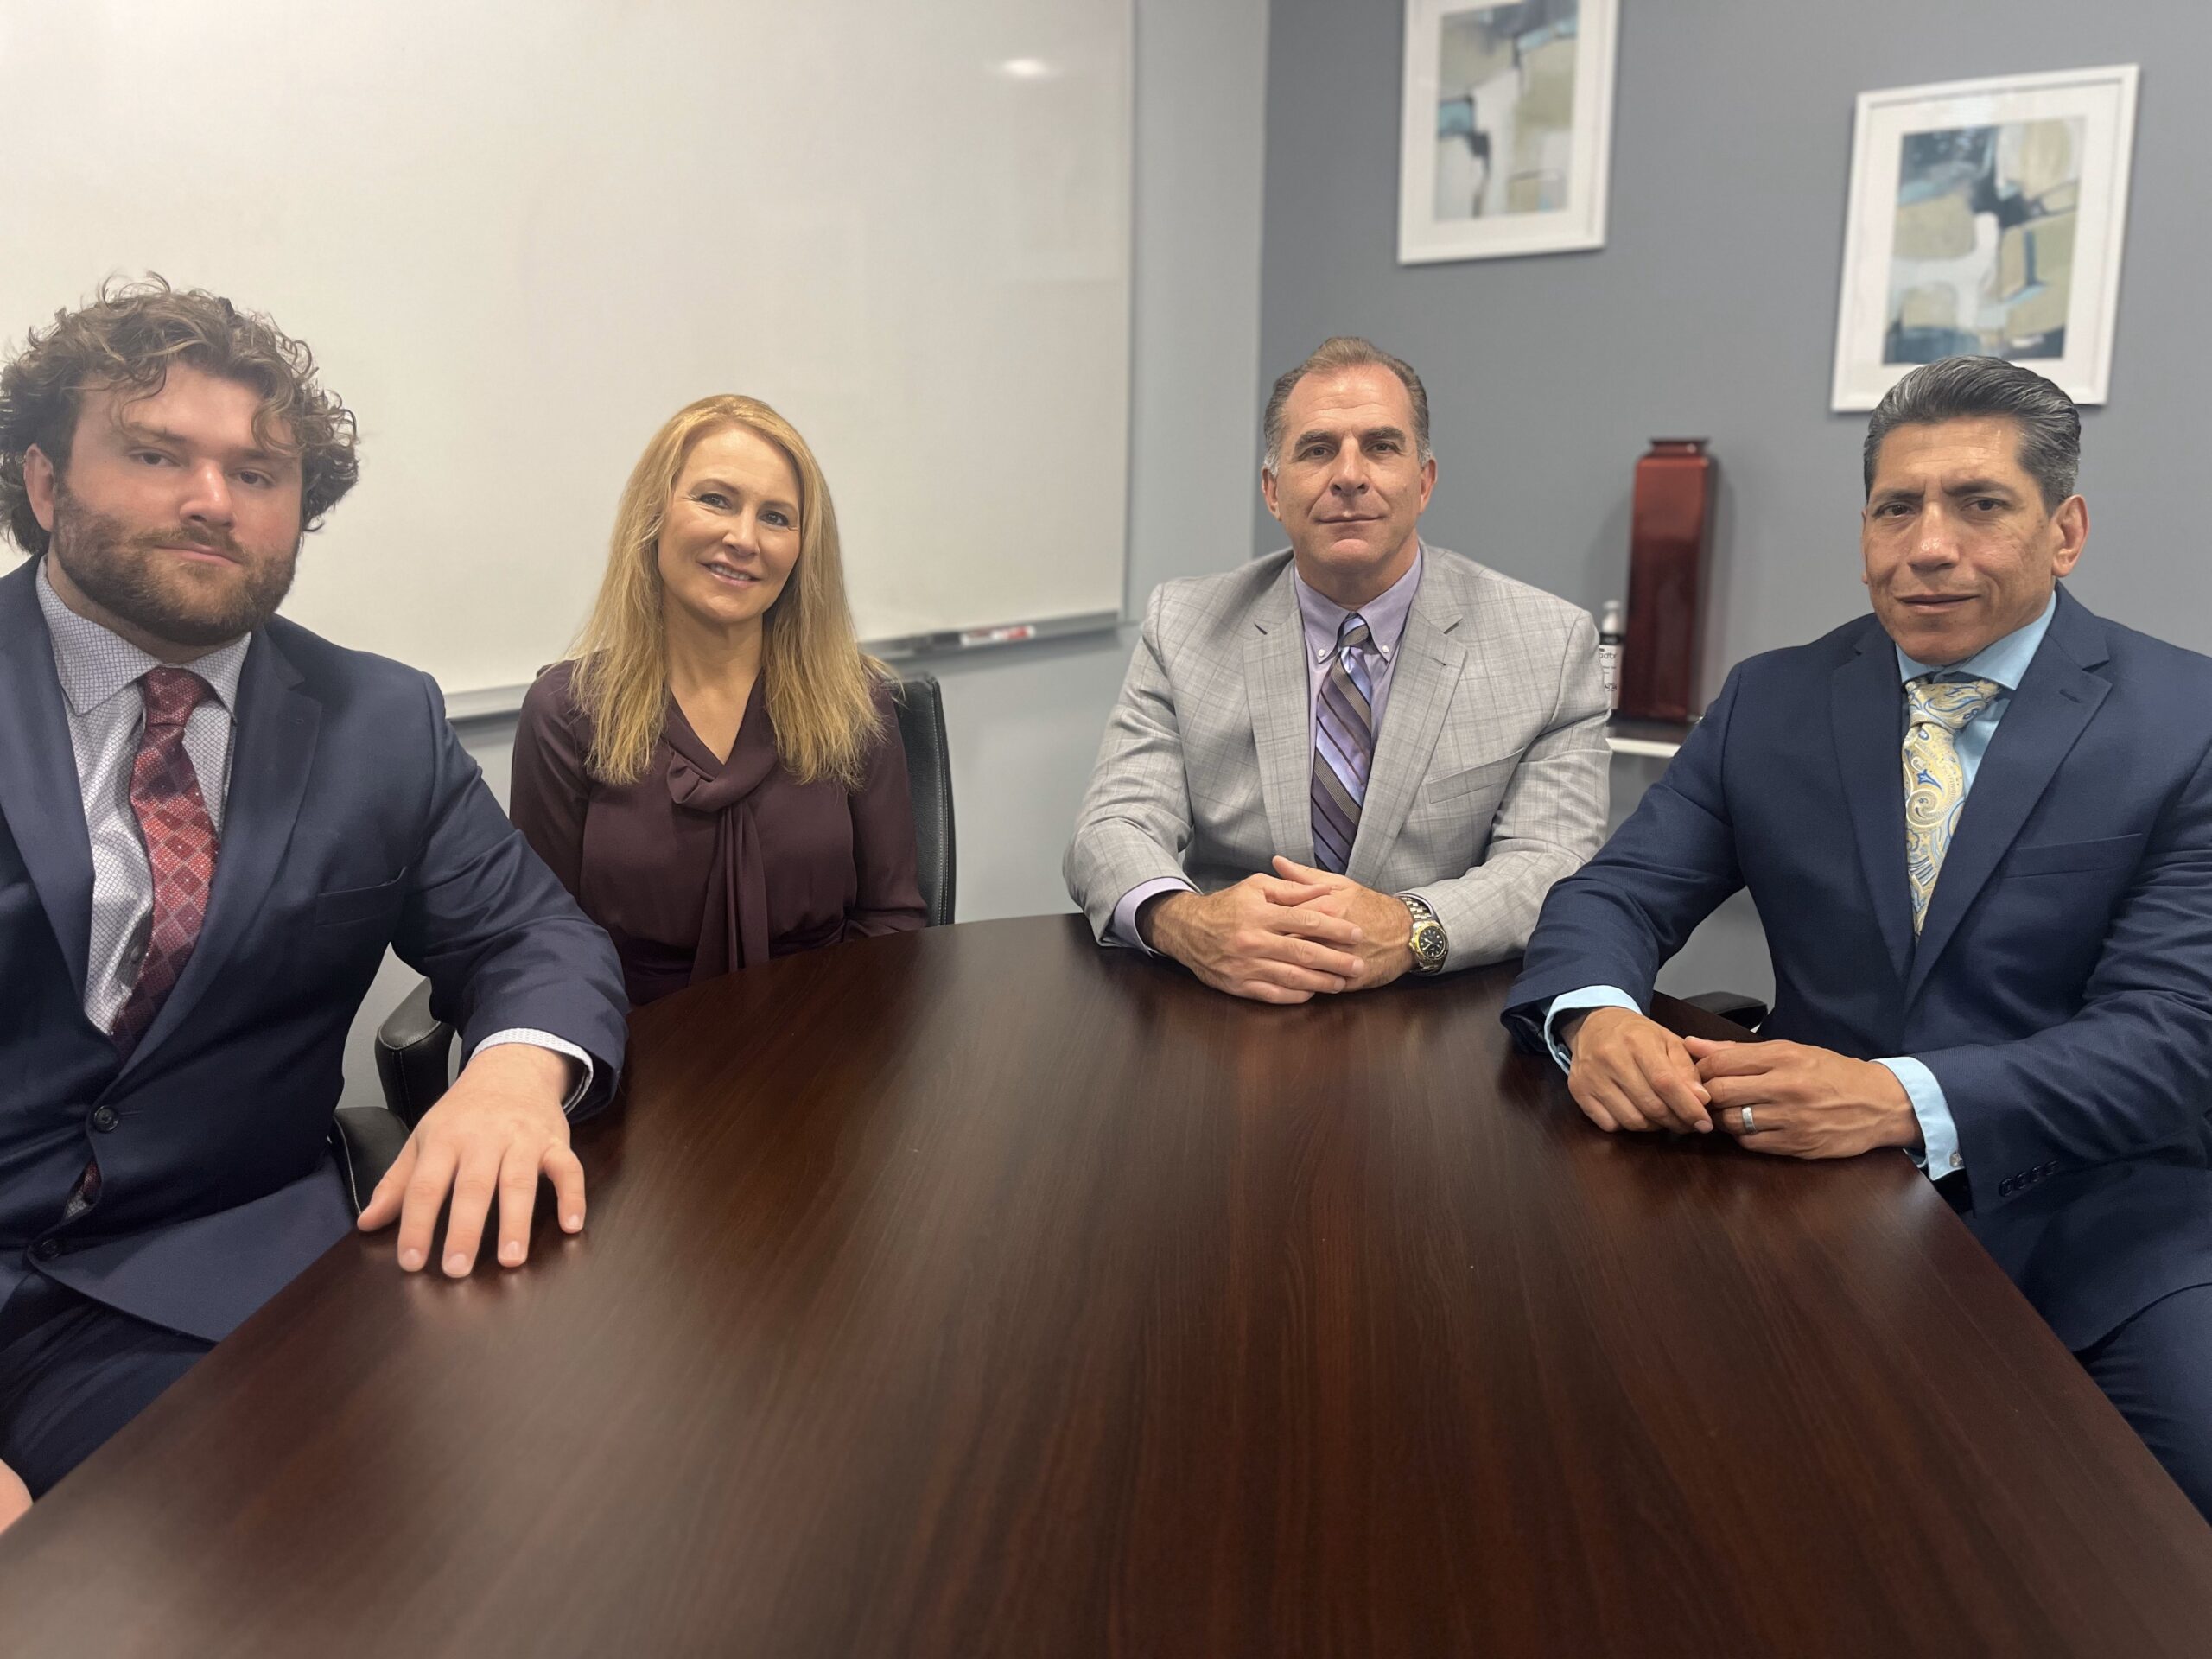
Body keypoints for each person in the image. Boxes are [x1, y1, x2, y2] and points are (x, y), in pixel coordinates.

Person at [1505, 355, 2212, 1516]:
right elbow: (1615, 895)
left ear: (2066, 530)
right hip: (1803, 1208)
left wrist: (1899, 1099)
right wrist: (1595, 1018)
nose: (1928, 546)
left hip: (2105, 1234)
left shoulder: (2187, 723)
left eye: (1980, 505)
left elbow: (2171, 1045)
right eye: (1897, 507)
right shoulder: (1772, 700)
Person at [0, 278, 627, 1510]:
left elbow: (530, 936)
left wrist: (508, 1078)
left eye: (258, 472)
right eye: (154, 452)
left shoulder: (378, 721)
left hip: (201, 1291)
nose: (209, 501)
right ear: (43, 483)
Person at [1065, 335, 1608, 1002]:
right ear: (1272, 490)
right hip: (1232, 1000)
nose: (1349, 475)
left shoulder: (1549, 643)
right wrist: (1185, 922)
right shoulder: (1184, 624)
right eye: (1317, 450)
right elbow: (1113, 827)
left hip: (1439, 1014)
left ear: (1425, 481)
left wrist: (1410, 927)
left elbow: (1553, 862)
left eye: (1381, 446)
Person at [509, 396, 924, 1007]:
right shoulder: (567, 713)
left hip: (826, 1051)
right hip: (635, 1054)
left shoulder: (855, 704)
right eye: (716, 500)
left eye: (777, 517)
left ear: (804, 550)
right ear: (654, 516)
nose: (744, 538)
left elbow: (891, 917)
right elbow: (543, 940)